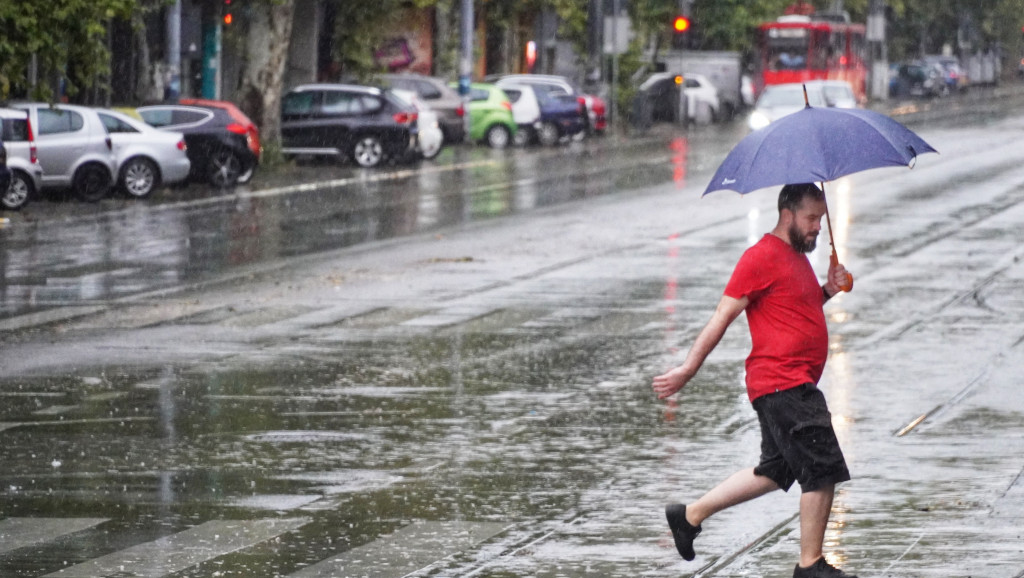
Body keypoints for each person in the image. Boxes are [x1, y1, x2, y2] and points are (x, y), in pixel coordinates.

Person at [652, 183, 857, 578]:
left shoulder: (795, 258)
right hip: (784, 383)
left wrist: (828, 290)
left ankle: (689, 516)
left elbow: (799, 308)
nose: (818, 227)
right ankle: (810, 565)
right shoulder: (760, 257)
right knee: (822, 468)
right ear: (788, 214)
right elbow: (721, 317)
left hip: (787, 383)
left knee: (776, 470)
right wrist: (688, 369)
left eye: (820, 218)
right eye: (812, 218)